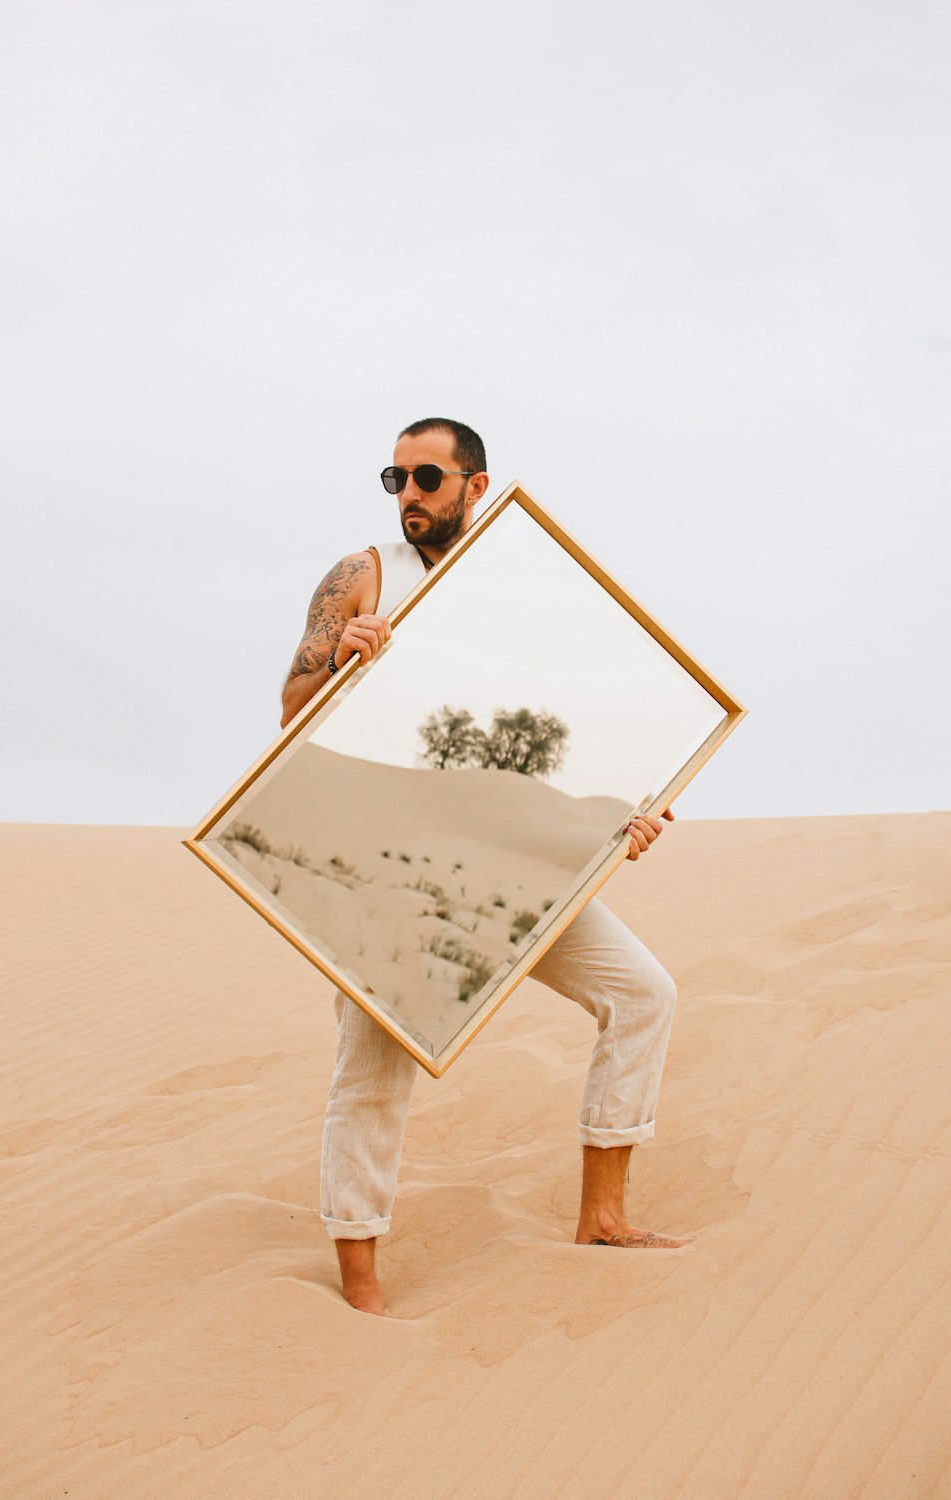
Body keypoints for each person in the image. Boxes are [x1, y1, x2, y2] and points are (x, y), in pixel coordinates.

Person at [280, 417, 685, 1316]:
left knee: (644, 993)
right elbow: (289, 710)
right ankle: (361, 1283)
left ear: (476, 484)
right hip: (393, 869)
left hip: (512, 858)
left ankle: (604, 1219)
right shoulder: (364, 576)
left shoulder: (519, 594)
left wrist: (629, 813)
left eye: (429, 477)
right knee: (374, 1067)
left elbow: (564, 735)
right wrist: (338, 664)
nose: (411, 495)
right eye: (397, 479)